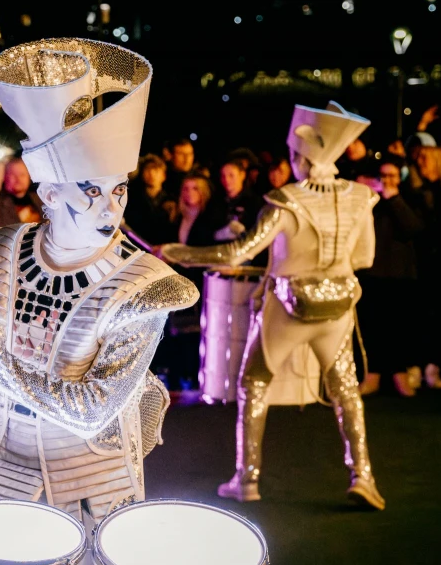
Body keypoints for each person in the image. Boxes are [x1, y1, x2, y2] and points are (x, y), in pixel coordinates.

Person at [0, 37, 199, 565]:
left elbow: (90, 409)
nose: (110, 208)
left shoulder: (146, 287)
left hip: (94, 478)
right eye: (89, 190)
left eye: (118, 190)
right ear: (48, 194)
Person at [162, 101, 386, 511]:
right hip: (337, 307)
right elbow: (365, 258)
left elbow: (237, 252)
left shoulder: (285, 200)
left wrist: (180, 252)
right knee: (345, 391)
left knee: (254, 384)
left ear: (301, 157)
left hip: (289, 306)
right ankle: (364, 476)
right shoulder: (361, 197)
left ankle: (247, 478)